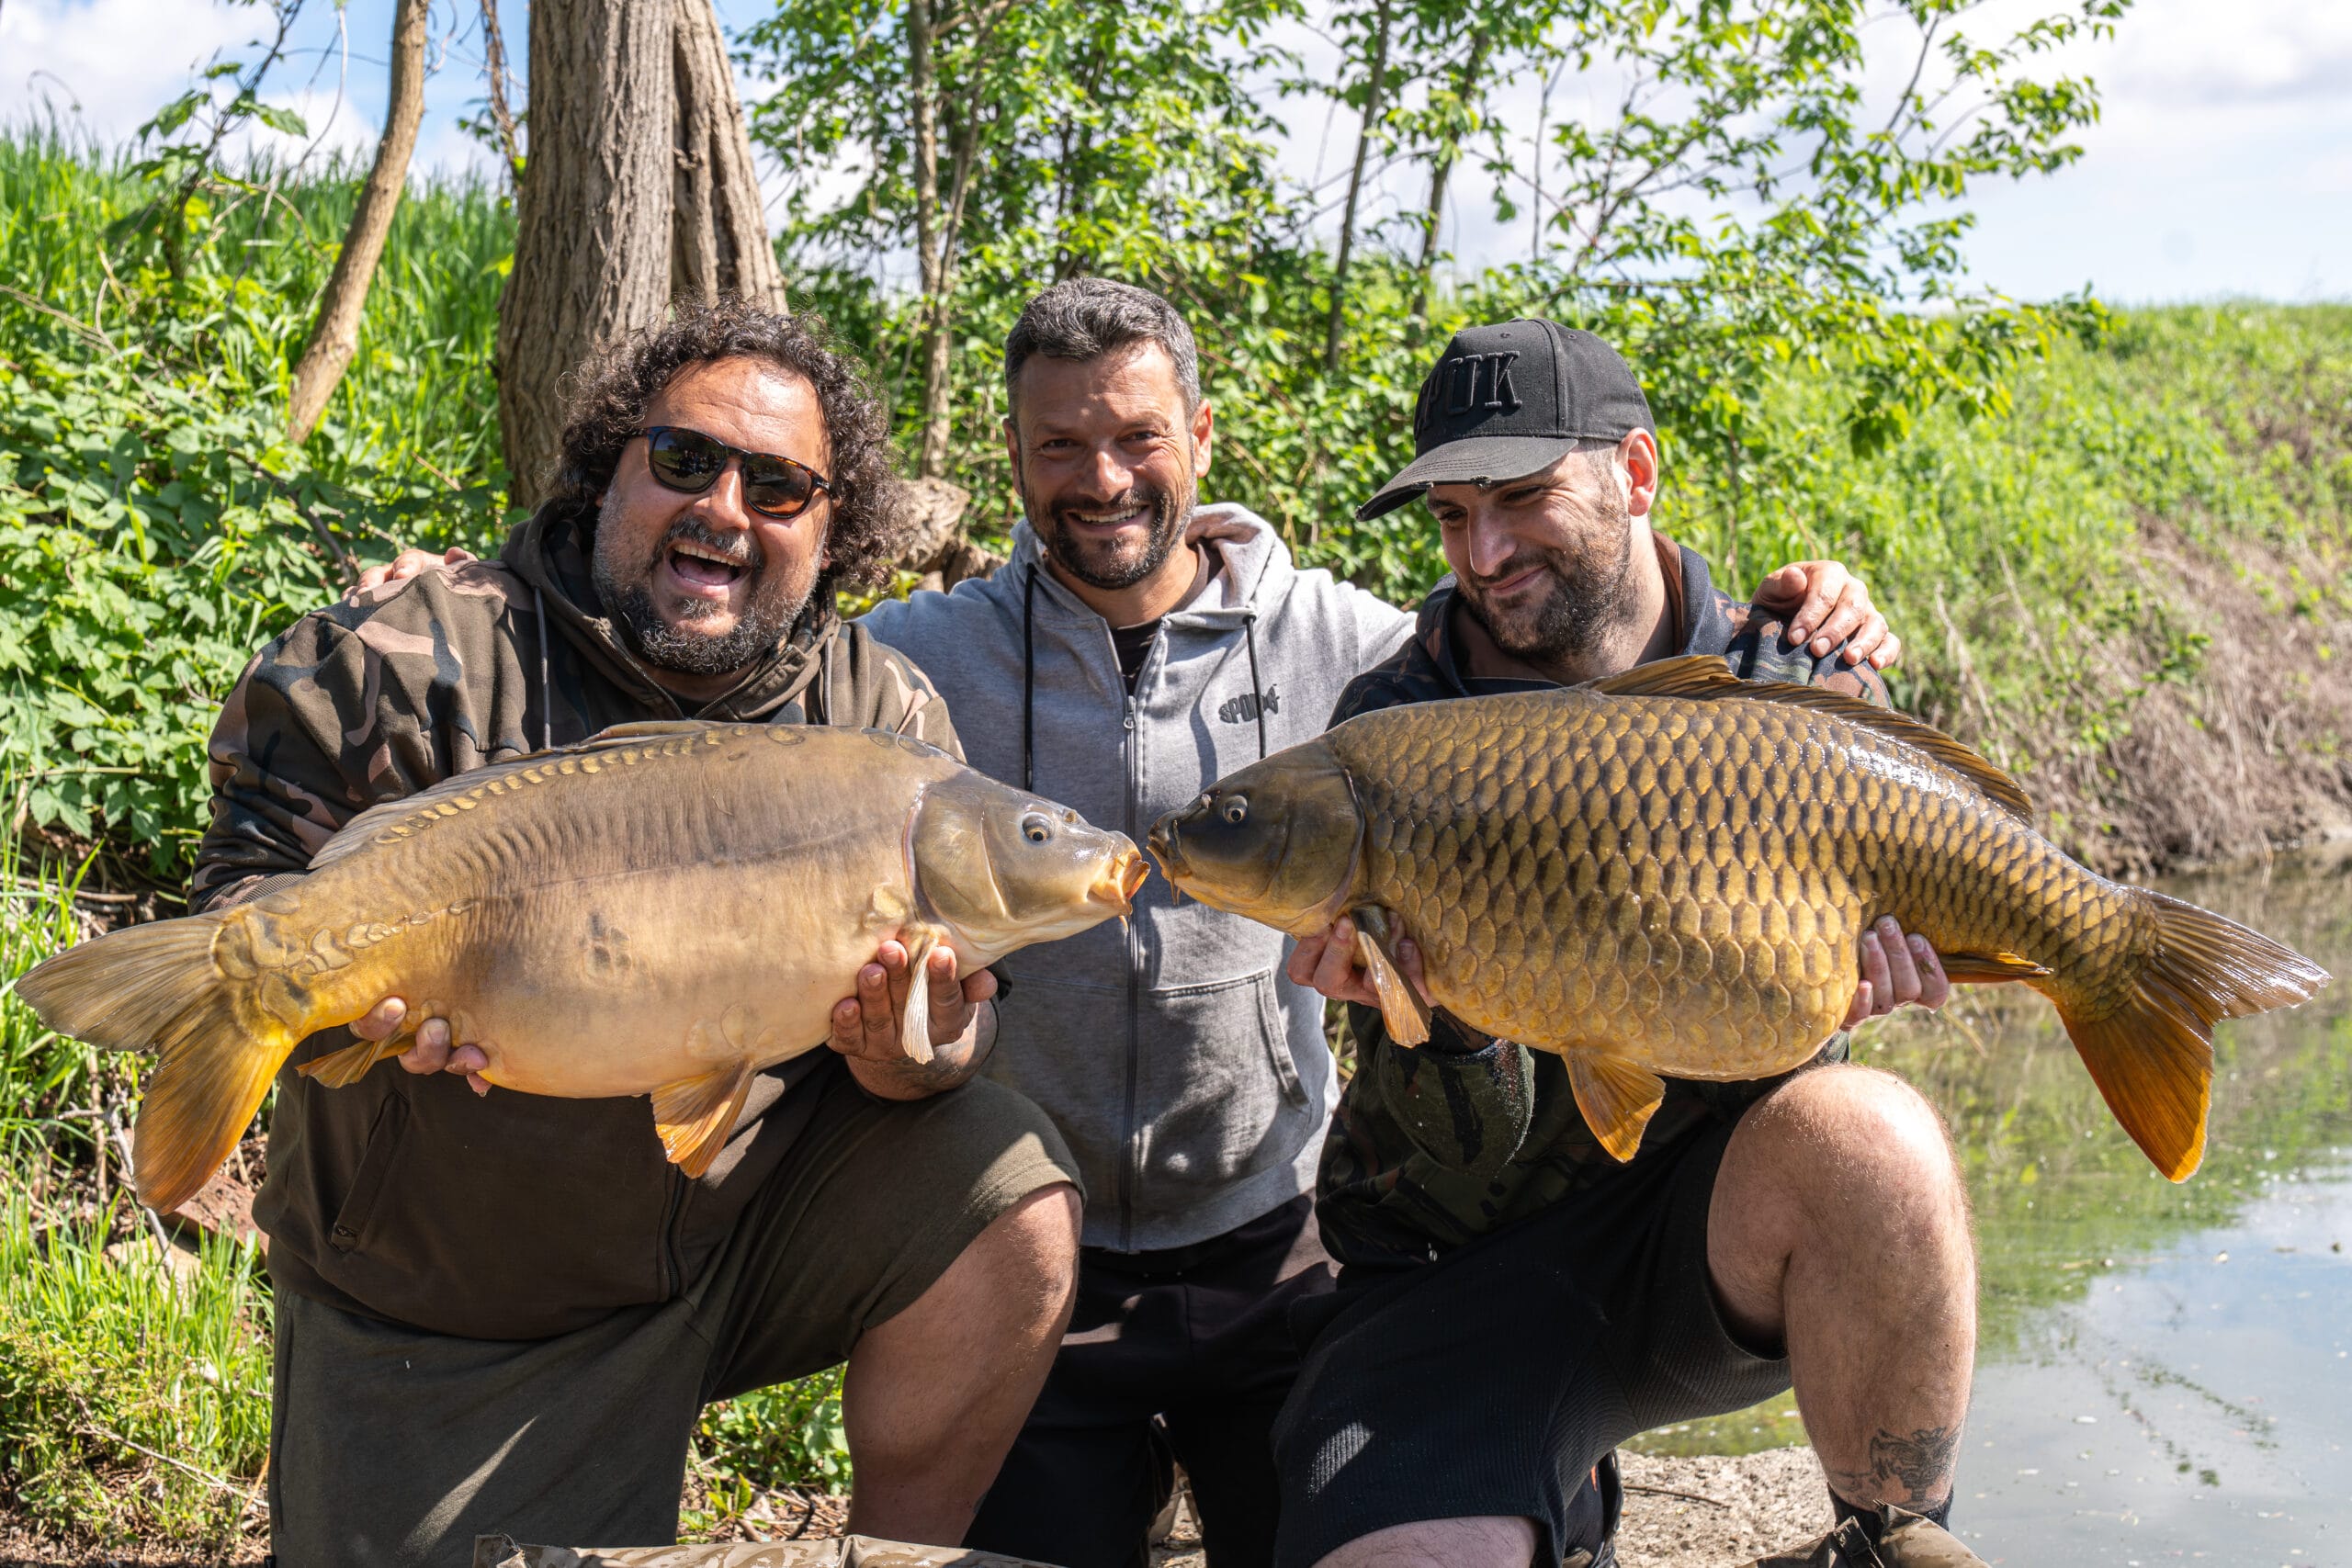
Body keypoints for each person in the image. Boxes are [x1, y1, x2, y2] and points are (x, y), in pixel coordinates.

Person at [361, 281, 1905, 1568]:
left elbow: (1572, 701)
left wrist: (1800, 611)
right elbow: (724, 659)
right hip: (1039, 1274)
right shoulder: (911, 666)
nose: (1100, 478)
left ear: (1200, 439)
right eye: (1059, 446)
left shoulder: (1360, 657)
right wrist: (481, 590)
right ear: (1015, 458)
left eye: (1136, 437)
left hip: (1282, 1257)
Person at [195, 301, 1083, 1568]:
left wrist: (914, 1057)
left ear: (832, 530)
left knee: (1007, 1181)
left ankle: (898, 1560)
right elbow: (242, 898)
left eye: (778, 487)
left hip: (741, 1235)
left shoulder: (881, 716)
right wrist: (345, 1008)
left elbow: (955, 1040)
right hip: (455, 1297)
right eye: (684, 460)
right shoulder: (413, 652)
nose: (724, 508)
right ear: (607, 467)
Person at [1274, 320, 1979, 1568]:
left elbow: (1806, 1048)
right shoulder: (1396, 731)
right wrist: (1432, 1019)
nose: (1484, 554)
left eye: (1523, 497)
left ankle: (1890, 1539)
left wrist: (1862, 983)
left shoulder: (1789, 676)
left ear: (1637, 473)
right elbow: (1457, 1150)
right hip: (1457, 1265)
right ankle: (1546, 1488)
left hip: (1704, 1241)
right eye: (1452, 516)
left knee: (1876, 1134)